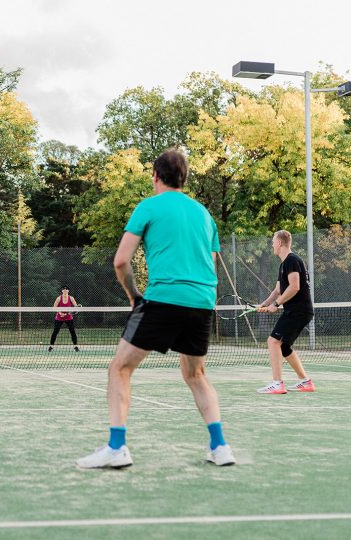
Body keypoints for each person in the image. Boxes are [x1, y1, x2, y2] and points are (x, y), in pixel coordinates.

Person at [76, 148, 235, 469]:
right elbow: (212, 265)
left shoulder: (148, 207)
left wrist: (134, 295)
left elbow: (121, 261)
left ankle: (117, 447)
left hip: (164, 299)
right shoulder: (205, 215)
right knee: (195, 374)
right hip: (203, 300)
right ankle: (220, 447)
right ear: (184, 178)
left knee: (119, 368)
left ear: (155, 176)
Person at [255, 230, 315, 394]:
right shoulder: (284, 264)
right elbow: (278, 289)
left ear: (280, 243)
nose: (272, 244)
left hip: (298, 311)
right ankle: (305, 382)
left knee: (273, 341)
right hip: (297, 311)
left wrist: (276, 304)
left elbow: (294, 286)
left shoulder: (292, 260)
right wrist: (265, 303)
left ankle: (277, 383)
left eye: (273, 241)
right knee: (284, 347)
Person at [48, 285, 79, 352]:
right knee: (55, 332)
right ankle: (51, 346)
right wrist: (60, 313)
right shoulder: (59, 298)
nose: (65, 290)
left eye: (66, 289)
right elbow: (54, 307)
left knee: (72, 332)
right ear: (62, 291)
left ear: (68, 291)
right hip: (59, 318)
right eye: (64, 289)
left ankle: (75, 347)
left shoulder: (71, 298)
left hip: (69, 317)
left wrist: (69, 312)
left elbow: (76, 307)